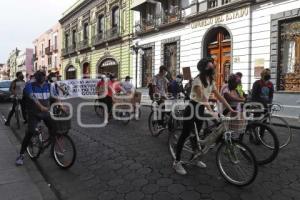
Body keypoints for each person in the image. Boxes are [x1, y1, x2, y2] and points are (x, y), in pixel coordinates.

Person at [173, 58, 236, 175]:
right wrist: (212, 112)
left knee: (197, 136)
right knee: (185, 134)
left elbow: (220, 97)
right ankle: (177, 162)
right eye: (211, 66)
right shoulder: (197, 80)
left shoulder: (210, 81)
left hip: (200, 110)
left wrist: (231, 109)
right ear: (205, 68)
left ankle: (196, 158)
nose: (213, 67)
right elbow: (203, 98)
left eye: (213, 65)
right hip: (192, 109)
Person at [15, 71, 55, 166]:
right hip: (34, 114)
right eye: (40, 79)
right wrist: (40, 106)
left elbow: (54, 96)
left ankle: (51, 148)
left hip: (45, 112)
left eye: (44, 78)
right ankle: (21, 155)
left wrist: (61, 105)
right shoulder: (29, 85)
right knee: (31, 132)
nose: (43, 81)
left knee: (54, 129)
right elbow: (32, 97)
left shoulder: (48, 85)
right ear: (36, 79)